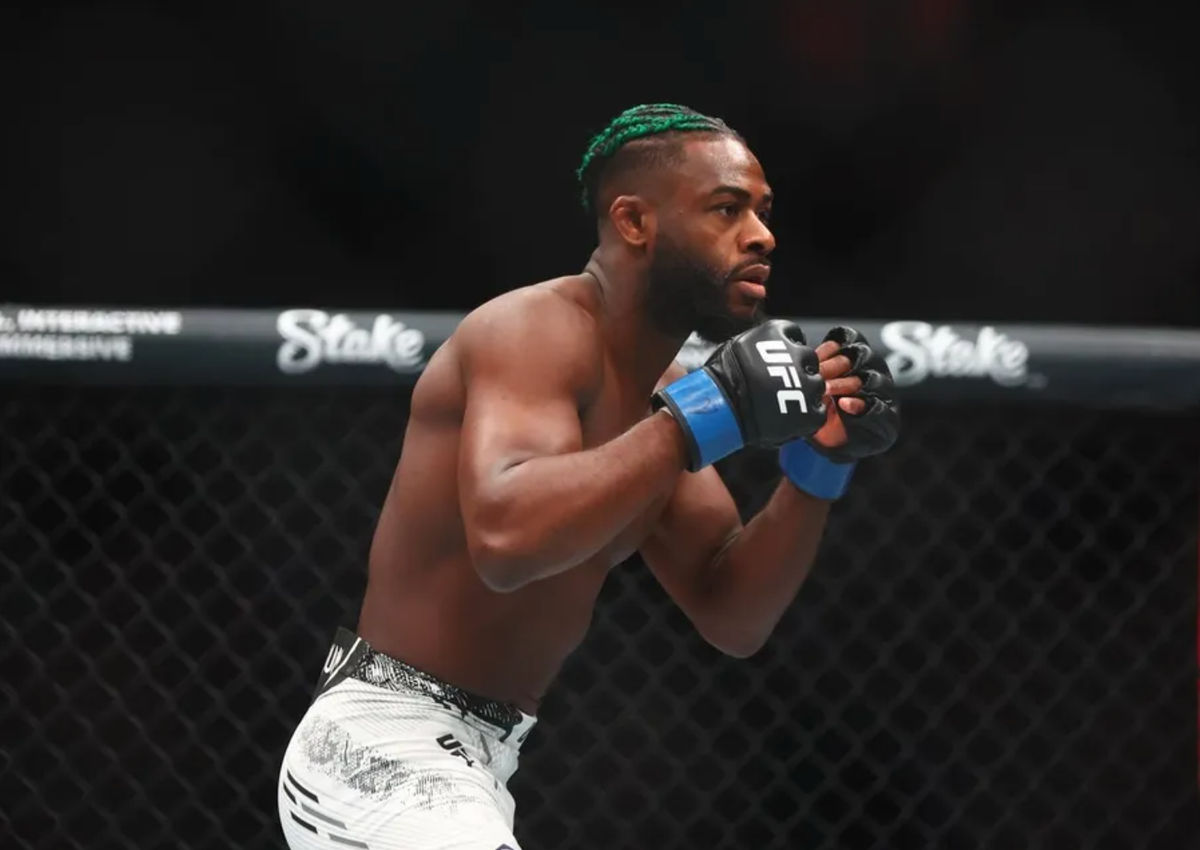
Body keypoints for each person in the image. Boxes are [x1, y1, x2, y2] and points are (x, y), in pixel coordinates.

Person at [277, 103, 900, 850]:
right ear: (635, 222)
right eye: (726, 209)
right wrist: (698, 417)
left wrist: (818, 470)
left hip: (476, 763)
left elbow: (731, 610)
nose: (762, 235)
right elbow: (506, 541)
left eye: (763, 213)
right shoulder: (532, 332)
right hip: (381, 742)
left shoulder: (661, 394)